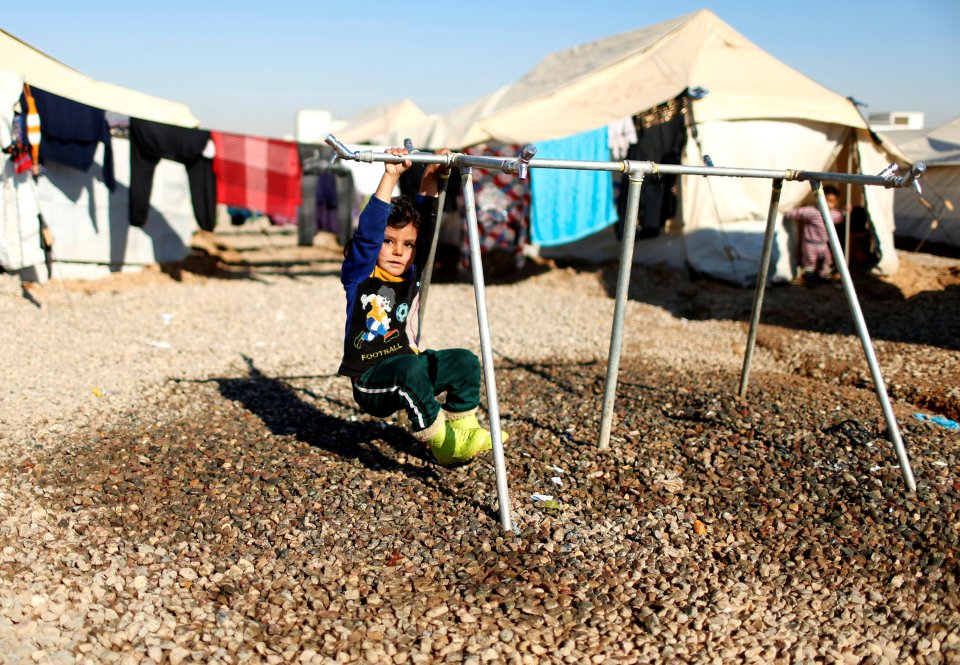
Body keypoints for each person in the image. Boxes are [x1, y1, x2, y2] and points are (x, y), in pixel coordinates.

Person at [338, 147, 501, 466]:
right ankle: (443, 443)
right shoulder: (362, 274)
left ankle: (464, 429)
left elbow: (425, 221)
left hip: (406, 368)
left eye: (407, 244)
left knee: (464, 362)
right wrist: (391, 175)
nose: (399, 252)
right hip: (371, 381)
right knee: (411, 368)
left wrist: (430, 177)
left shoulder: (411, 273)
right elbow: (369, 233)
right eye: (389, 242)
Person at [785, 185, 844, 283]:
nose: (829, 204)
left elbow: (841, 216)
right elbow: (796, 213)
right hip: (810, 243)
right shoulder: (811, 211)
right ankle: (810, 278)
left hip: (823, 243)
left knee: (825, 261)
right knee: (810, 262)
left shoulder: (833, 214)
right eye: (827, 200)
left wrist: (847, 211)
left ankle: (822, 277)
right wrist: (787, 213)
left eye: (832, 201)